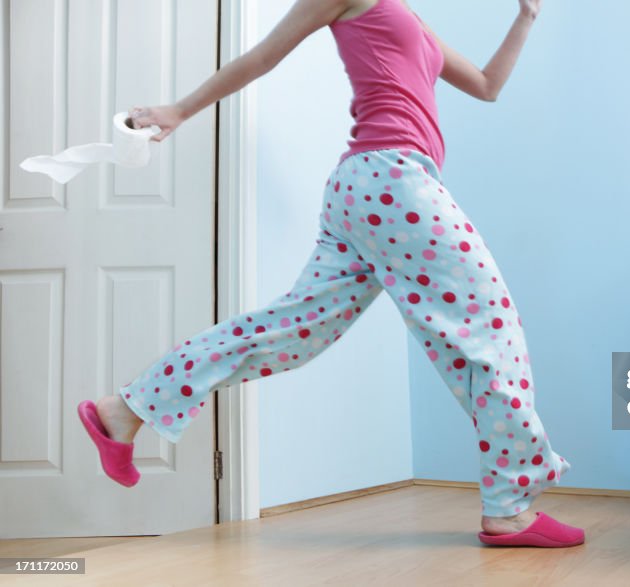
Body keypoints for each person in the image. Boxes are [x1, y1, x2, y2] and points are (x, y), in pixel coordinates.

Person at [77, 0, 584, 548]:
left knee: (294, 333)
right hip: (392, 180)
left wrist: (527, 16)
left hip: (368, 191)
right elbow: (262, 56)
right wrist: (179, 109)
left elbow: (486, 85)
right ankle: (509, 509)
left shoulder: (413, 21)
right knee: (491, 330)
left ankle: (125, 410)